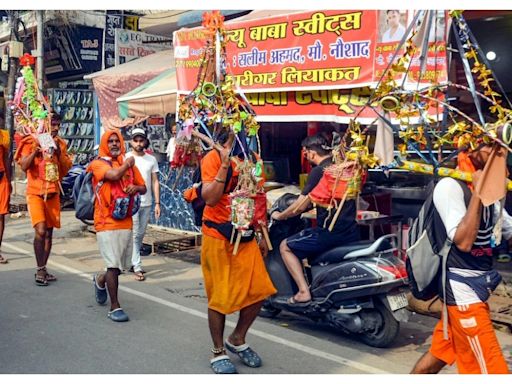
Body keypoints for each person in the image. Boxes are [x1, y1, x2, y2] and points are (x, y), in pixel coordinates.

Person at [411, 143, 511, 374]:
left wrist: (484, 188)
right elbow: (463, 241)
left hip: (480, 286)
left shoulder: (492, 190)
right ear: (469, 146)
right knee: (491, 370)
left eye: (503, 148)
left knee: (440, 353)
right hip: (461, 289)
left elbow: (507, 227)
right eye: (491, 146)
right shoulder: (449, 186)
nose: (499, 153)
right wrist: (477, 193)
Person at [200, 131, 276, 374]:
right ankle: (218, 350)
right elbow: (209, 199)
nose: (244, 130)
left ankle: (237, 338)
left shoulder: (253, 158)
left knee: (260, 291)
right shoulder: (212, 157)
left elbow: (260, 197)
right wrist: (224, 164)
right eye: (238, 123)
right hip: (218, 236)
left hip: (245, 236)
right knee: (220, 298)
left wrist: (263, 233)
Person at [271, 134, 359, 305]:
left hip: (330, 232)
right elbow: (318, 199)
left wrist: (279, 215)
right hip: (350, 230)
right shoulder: (341, 168)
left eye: (306, 153)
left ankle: (303, 292)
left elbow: (301, 205)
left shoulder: (321, 171)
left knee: (286, 247)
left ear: (310, 153)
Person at [89, 129, 146, 322]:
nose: (114, 144)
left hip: (126, 220)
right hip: (105, 222)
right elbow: (112, 176)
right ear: (105, 143)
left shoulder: (128, 164)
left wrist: (135, 188)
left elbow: (143, 186)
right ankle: (115, 306)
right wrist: (128, 163)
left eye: (117, 141)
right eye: (110, 141)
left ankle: (100, 280)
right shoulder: (98, 163)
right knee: (113, 266)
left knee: (119, 266)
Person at [15, 112, 72, 285]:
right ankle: (40, 269)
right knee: (40, 231)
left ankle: (43, 267)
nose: (56, 128)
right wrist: (36, 151)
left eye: (58, 124)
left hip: (53, 193)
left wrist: (58, 152)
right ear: (44, 125)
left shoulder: (60, 143)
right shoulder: (31, 141)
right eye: (53, 124)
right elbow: (24, 166)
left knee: (48, 233)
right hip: (35, 193)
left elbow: (66, 169)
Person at [126, 127, 160, 281]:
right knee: (133, 234)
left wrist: (157, 203)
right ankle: (136, 265)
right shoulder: (125, 158)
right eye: (136, 140)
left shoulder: (151, 159)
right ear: (131, 142)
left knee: (140, 234)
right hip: (131, 201)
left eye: (141, 140)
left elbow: (155, 181)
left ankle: (131, 261)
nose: (139, 143)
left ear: (146, 141)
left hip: (146, 202)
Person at [0, 117, 11, 264]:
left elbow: (7, 159)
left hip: (1, 179)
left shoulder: (4, 136)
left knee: (1, 216)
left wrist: (9, 180)